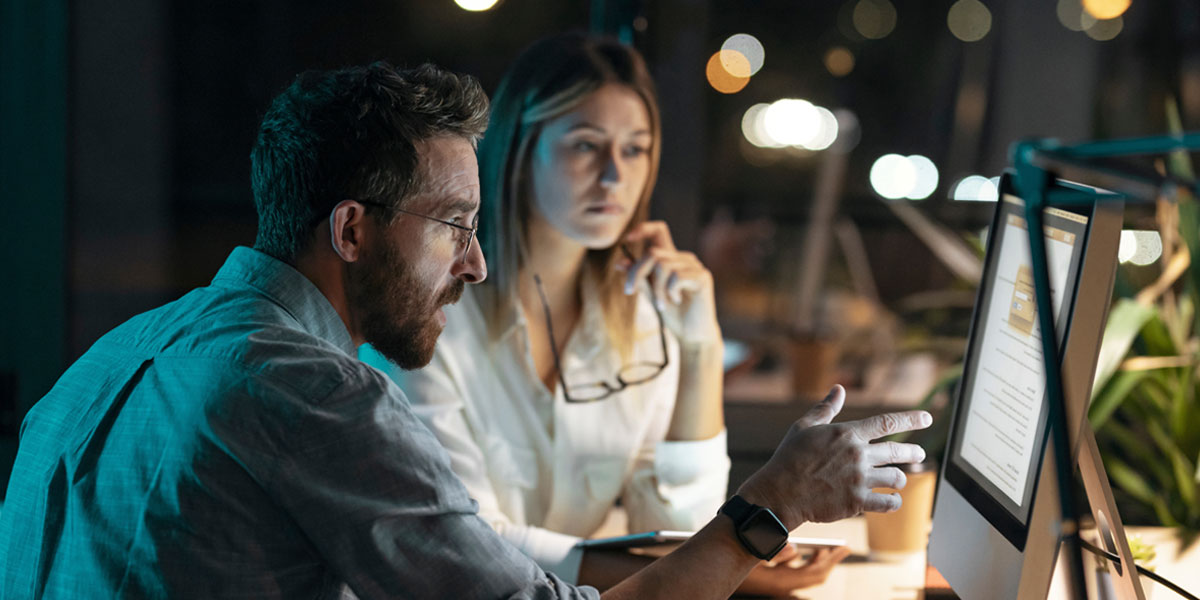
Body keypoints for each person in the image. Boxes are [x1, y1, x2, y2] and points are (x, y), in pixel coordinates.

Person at [0, 60, 931, 600]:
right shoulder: (313, 392)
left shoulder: (122, 351)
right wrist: (772, 510)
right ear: (352, 230)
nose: (474, 264)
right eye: (451, 225)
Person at [361, 33, 849, 595]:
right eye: (587, 146)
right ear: (521, 152)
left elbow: (670, 529)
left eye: (636, 148)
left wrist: (699, 349)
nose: (616, 175)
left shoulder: (645, 315)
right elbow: (461, 540)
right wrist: (733, 561)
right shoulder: (431, 315)